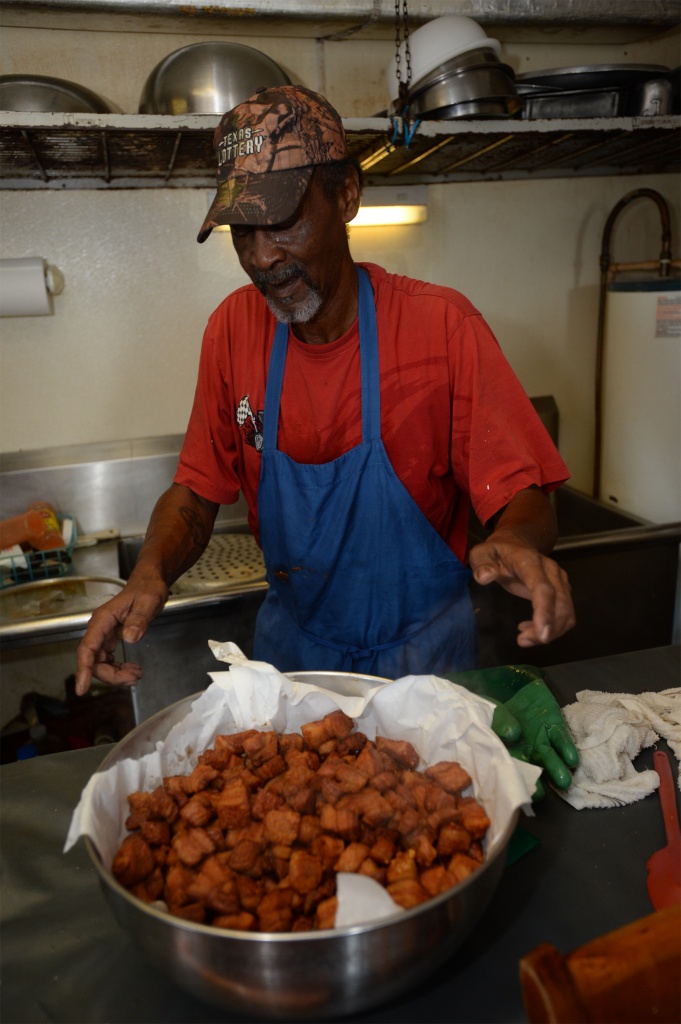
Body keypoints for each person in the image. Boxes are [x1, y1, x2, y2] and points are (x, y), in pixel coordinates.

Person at [75, 84, 575, 701]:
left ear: (346, 195)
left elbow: (522, 497)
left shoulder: (442, 328)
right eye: (241, 231)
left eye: (281, 221)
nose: (262, 257)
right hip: (295, 660)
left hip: (429, 664)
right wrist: (149, 572)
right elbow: (199, 489)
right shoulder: (233, 330)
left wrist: (514, 543)